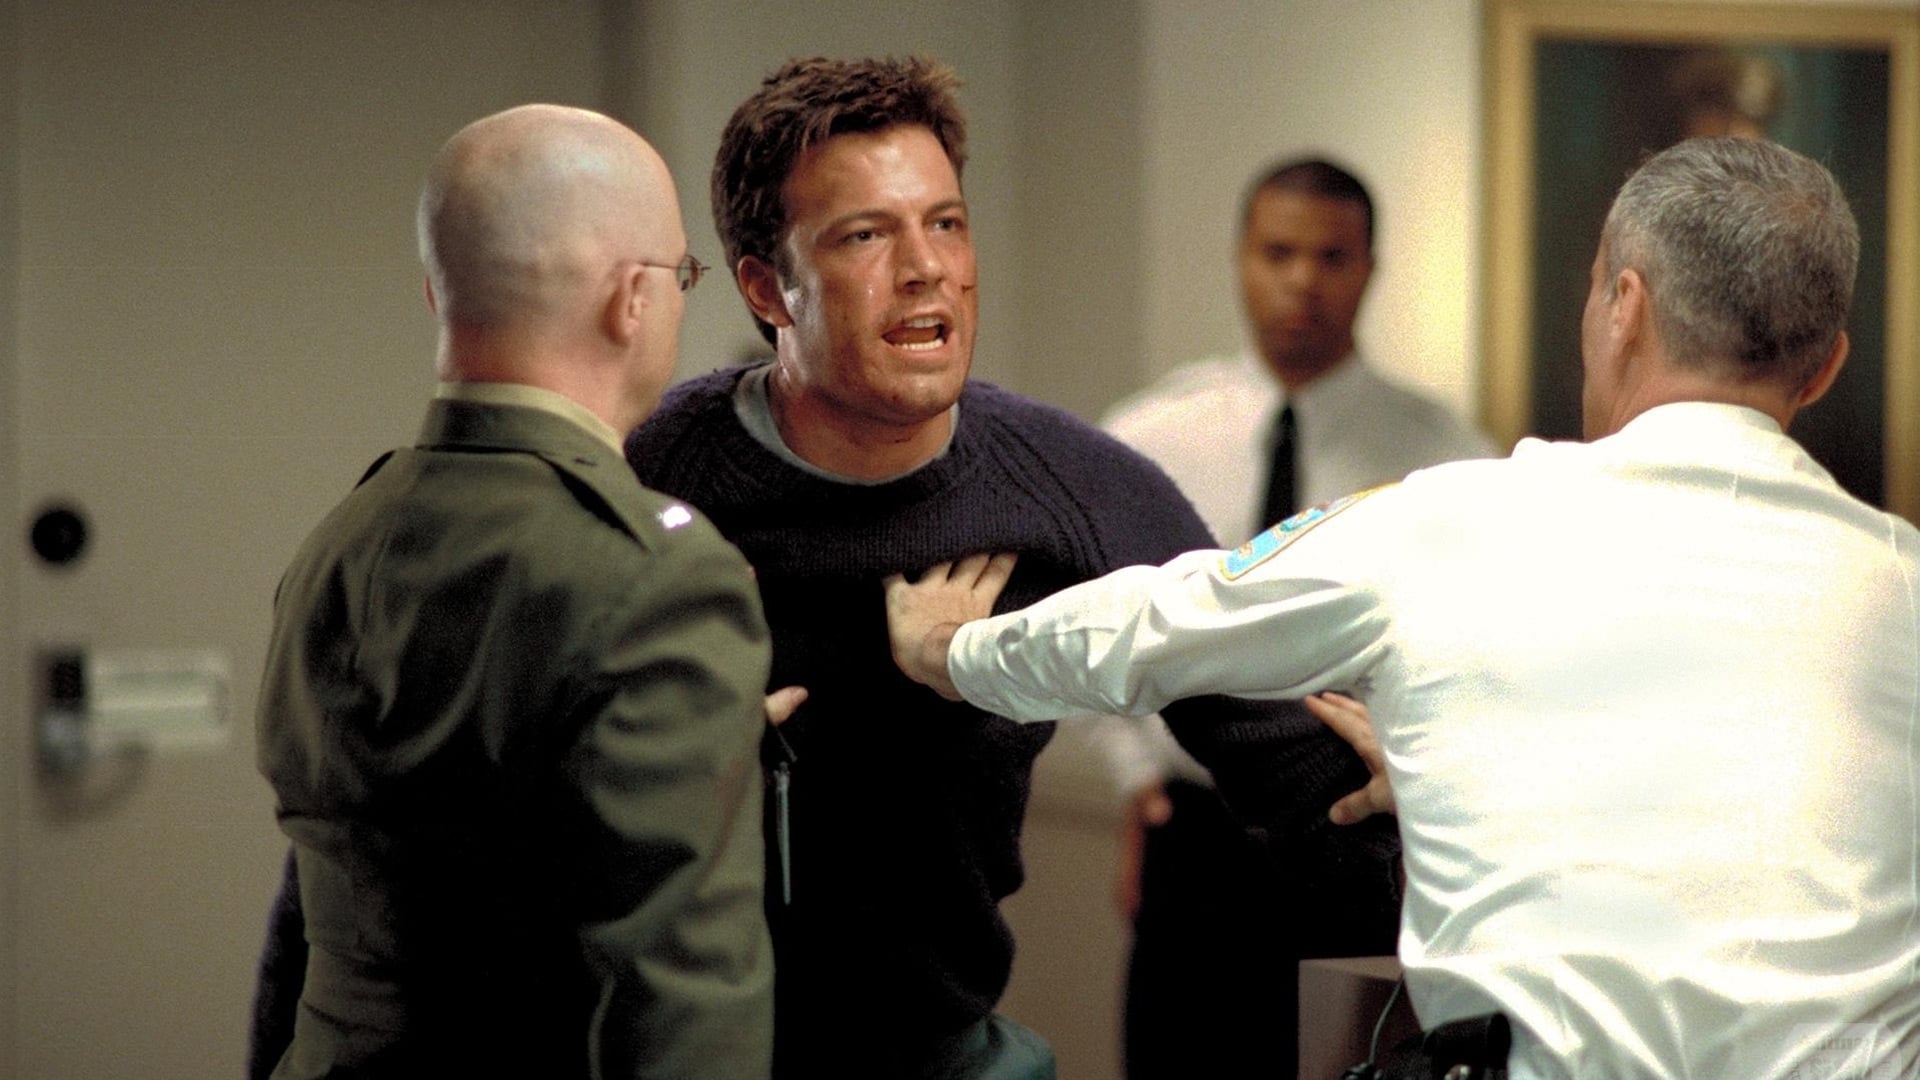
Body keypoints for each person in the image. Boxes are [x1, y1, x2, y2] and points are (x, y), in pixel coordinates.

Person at [885, 136, 1919, 1080]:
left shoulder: (1452, 518)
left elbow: (1163, 624)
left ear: (1625, 307)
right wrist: (1458, 754)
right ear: (1828, 364)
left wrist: (958, 651)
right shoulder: (1904, 588)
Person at [623, 55, 1398, 1079]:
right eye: (866, 235)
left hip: (944, 1047)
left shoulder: (1070, 487)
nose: (926, 267)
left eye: (945, 223)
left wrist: (1425, 793)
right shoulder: (657, 469)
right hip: (690, 1049)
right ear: (769, 287)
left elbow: (1290, 759)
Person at [252, 104, 779, 1078]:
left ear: (436, 293)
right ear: (631, 299)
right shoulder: (655, 577)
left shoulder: (342, 538)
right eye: (683, 276)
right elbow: (685, 1006)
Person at [1095, 157, 1495, 1079]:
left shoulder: (1442, 456)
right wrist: (1129, 772)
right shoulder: (1154, 436)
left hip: (1354, 828)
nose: (1304, 282)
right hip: (1196, 832)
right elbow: (1093, 609)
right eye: (1279, 253)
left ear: (1369, 268)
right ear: (1241, 257)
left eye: (1332, 257)